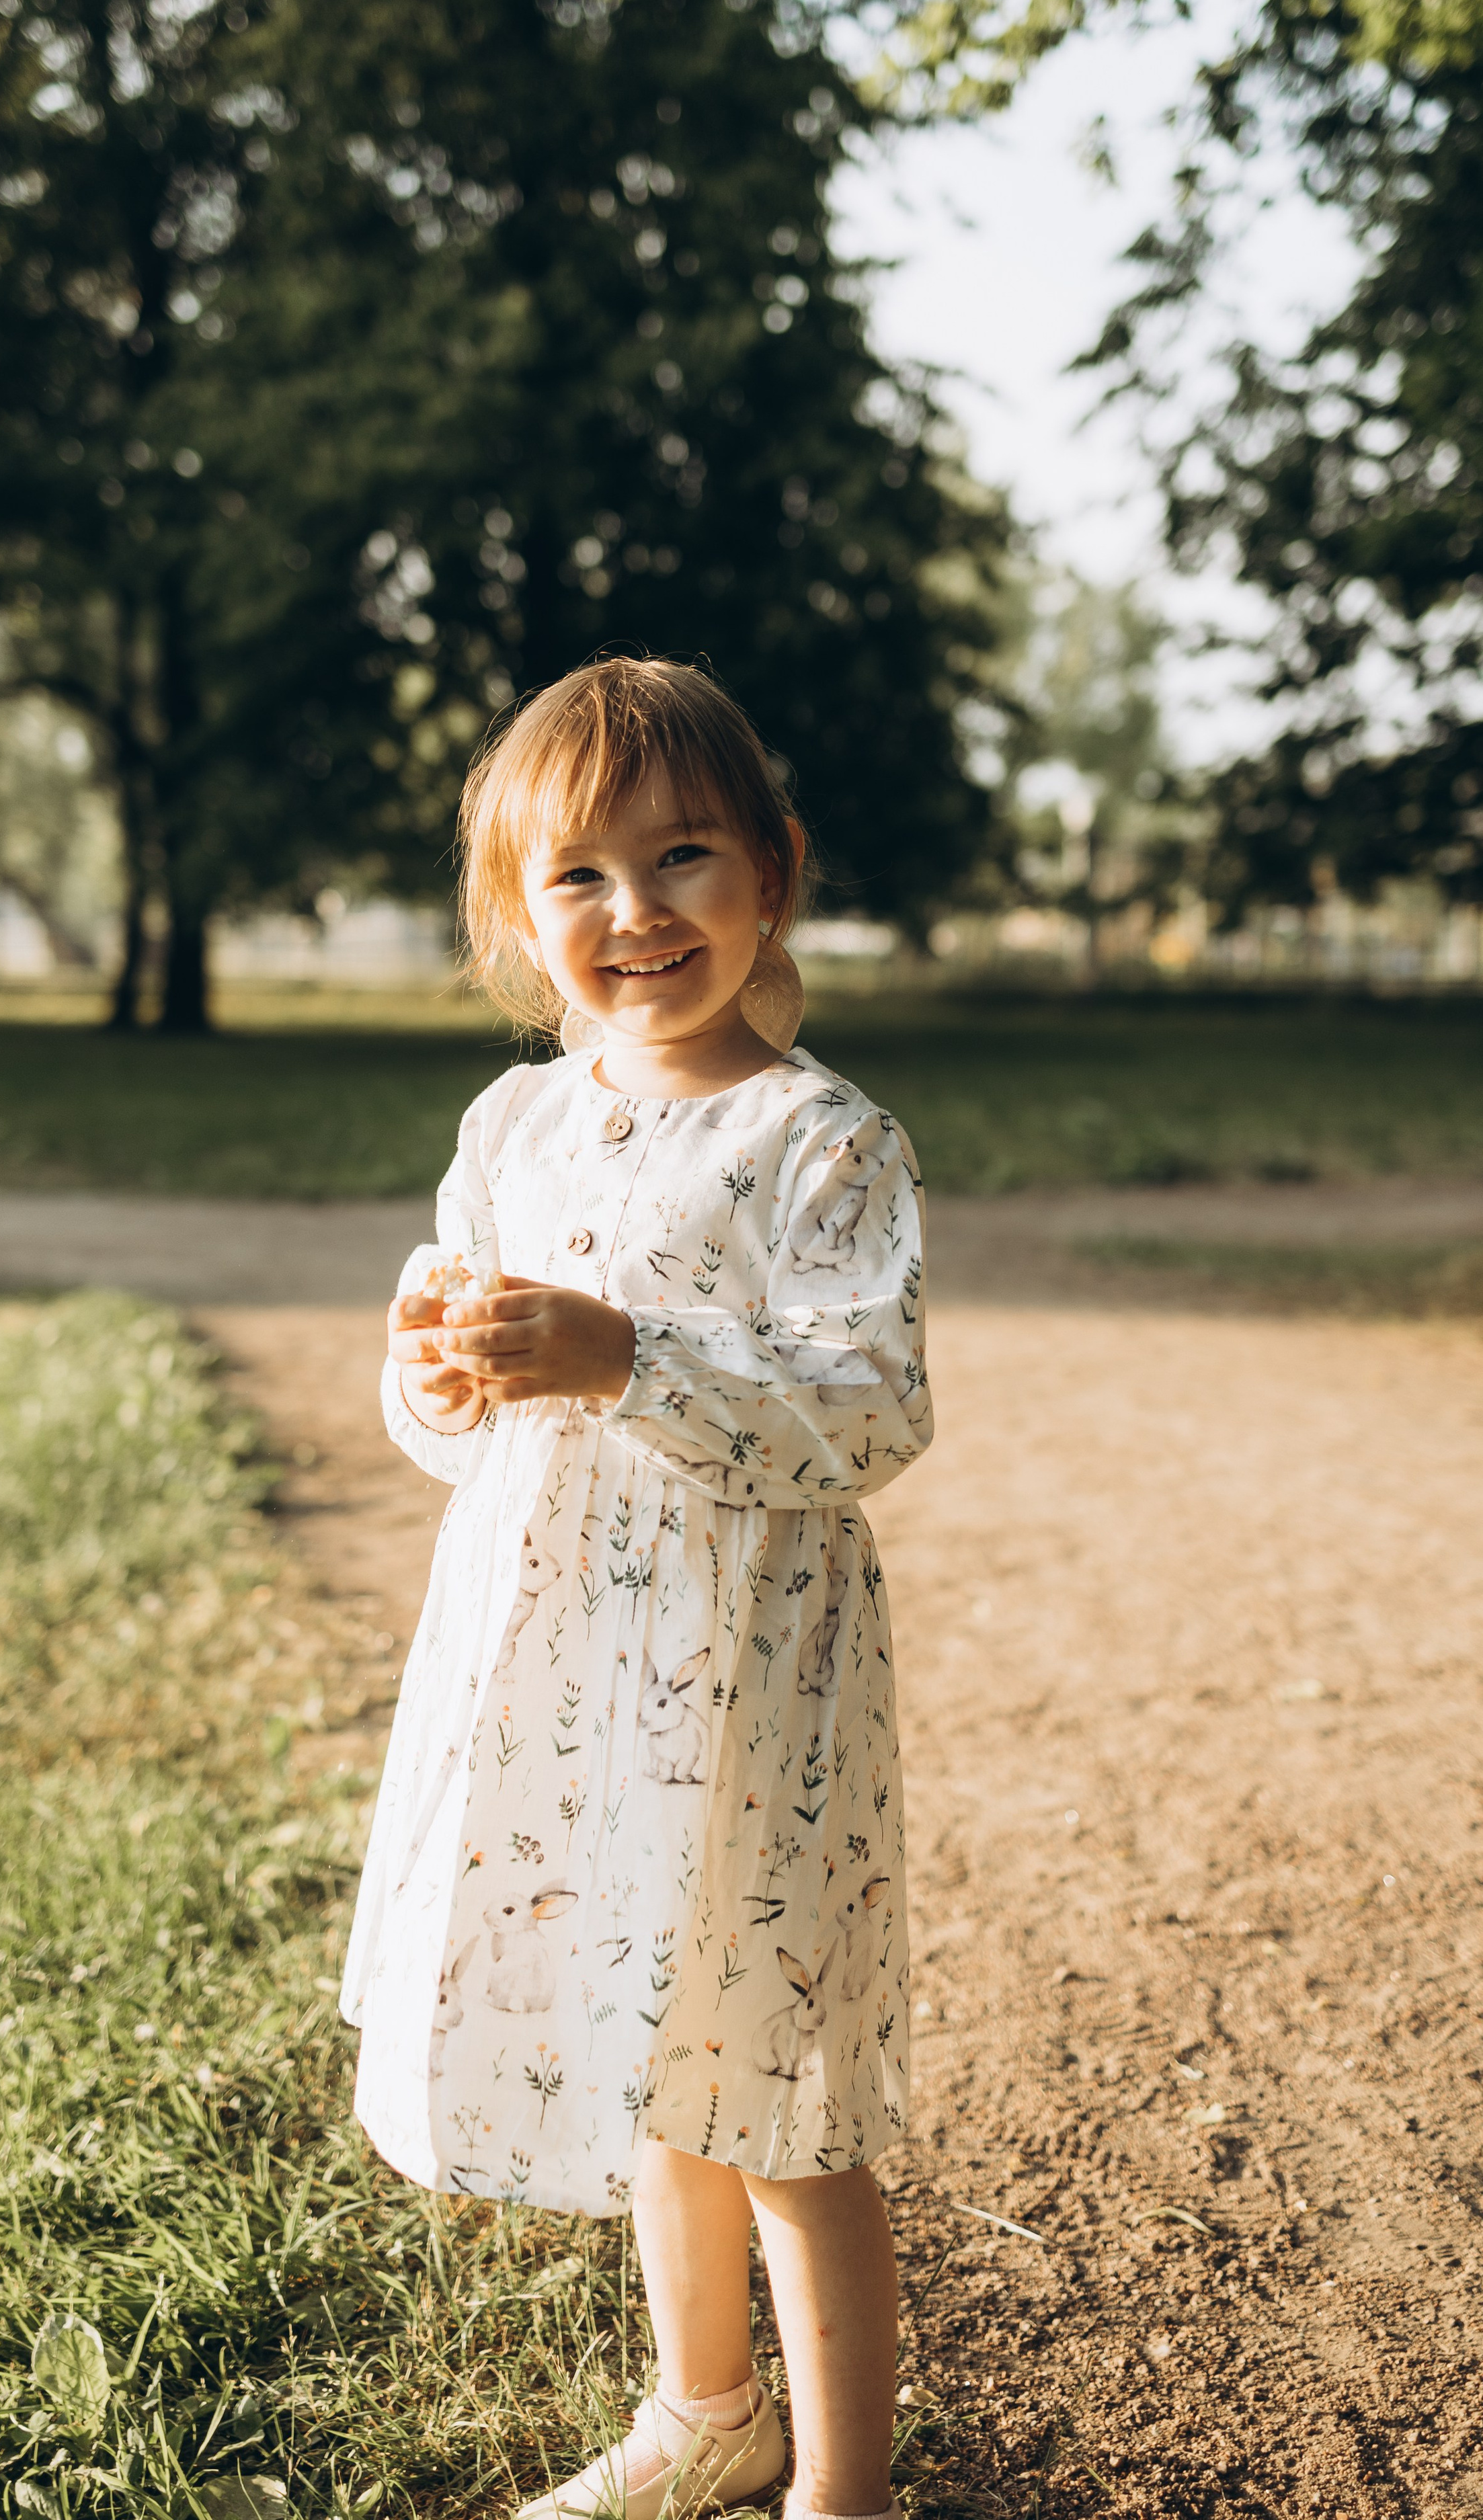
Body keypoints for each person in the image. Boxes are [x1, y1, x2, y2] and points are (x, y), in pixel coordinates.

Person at [340, 657, 934, 2520]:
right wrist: (443, 1380)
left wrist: (630, 1357)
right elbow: (456, 1418)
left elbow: (872, 1407)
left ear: (774, 871)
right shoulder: (513, 1127)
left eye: (681, 856)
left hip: (748, 1669)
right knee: (651, 2048)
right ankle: (705, 2414)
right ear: (518, 921)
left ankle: (843, 2487)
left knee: (773, 2082)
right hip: (564, 1667)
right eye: (579, 876)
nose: (636, 910)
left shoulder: (819, 1138)